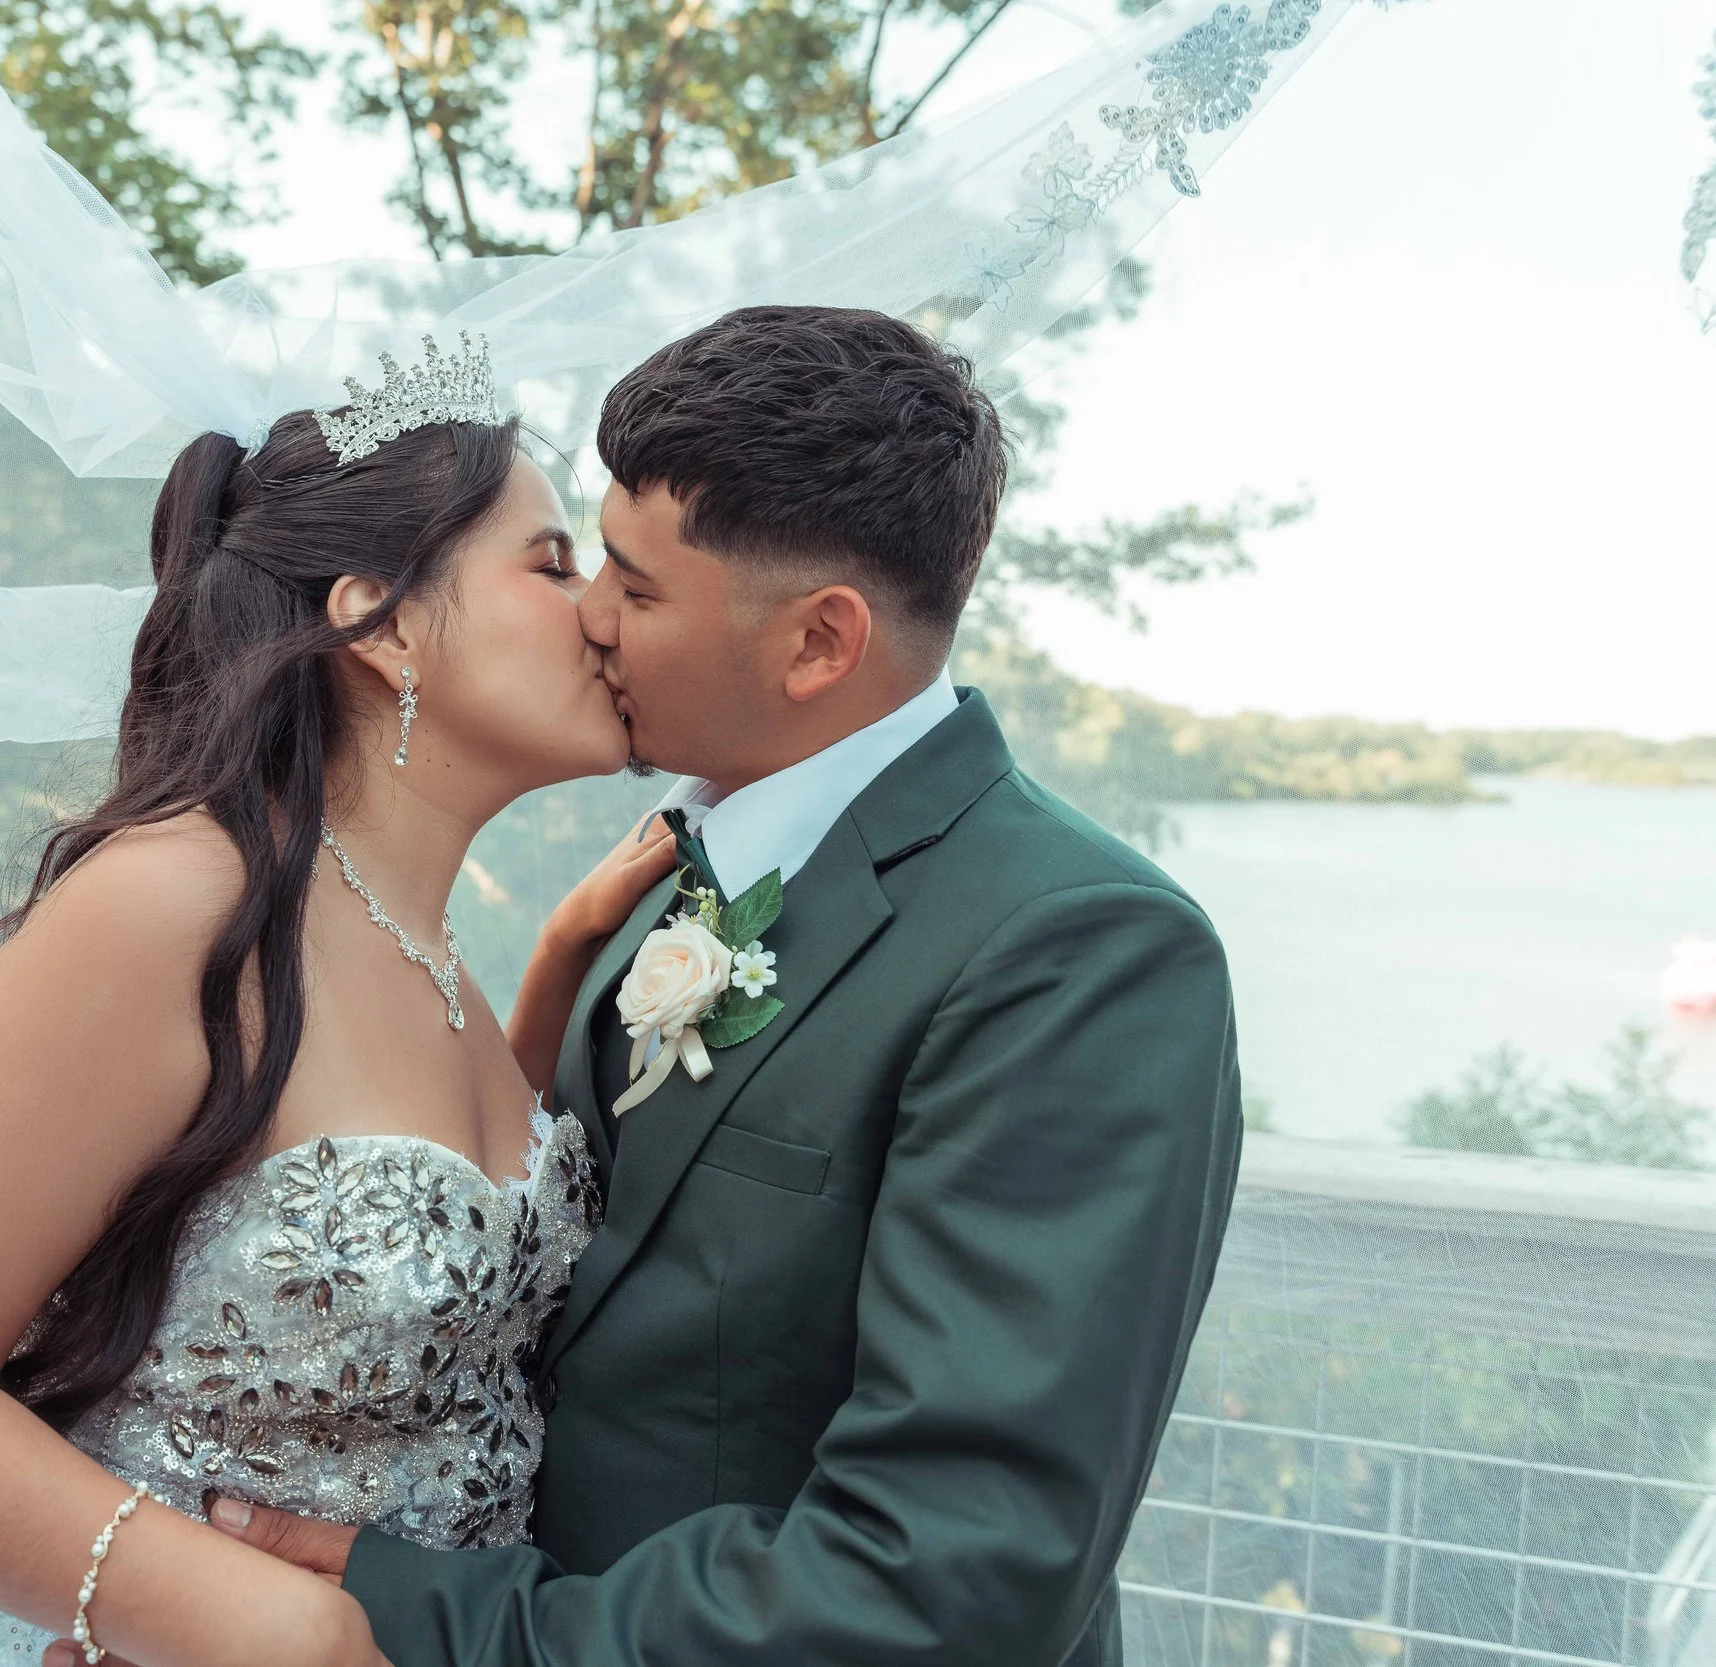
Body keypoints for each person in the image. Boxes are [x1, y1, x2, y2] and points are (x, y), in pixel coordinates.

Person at [154, 304, 1247, 1667]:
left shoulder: (1079, 950)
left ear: (818, 644)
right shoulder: (677, 881)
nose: (588, 618)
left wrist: (417, 1614)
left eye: (634, 583)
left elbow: (946, 1575)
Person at [0, 362, 684, 1667]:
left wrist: (558, 964)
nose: (603, 612)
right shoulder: (170, 901)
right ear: (382, 621)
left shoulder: (436, 954)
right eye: (553, 565)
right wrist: (280, 1627)